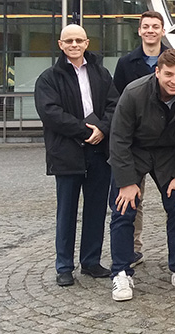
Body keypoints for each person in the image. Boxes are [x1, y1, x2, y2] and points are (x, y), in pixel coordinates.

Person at [107, 49, 175, 302]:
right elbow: (119, 140)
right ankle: (121, 271)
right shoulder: (133, 92)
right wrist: (127, 182)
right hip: (134, 151)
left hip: (170, 154)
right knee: (123, 210)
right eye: (169, 74)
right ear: (157, 72)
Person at [34, 24, 118, 287]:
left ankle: (91, 261)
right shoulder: (49, 78)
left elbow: (115, 105)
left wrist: (103, 129)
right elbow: (50, 113)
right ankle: (64, 266)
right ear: (60, 44)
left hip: (98, 152)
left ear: (86, 43)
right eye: (68, 41)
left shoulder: (101, 73)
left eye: (78, 40)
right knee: (66, 212)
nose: (74, 45)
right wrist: (85, 131)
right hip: (67, 152)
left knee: (95, 210)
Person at [113, 10, 168, 268]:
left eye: (155, 26)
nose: (150, 31)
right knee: (131, 198)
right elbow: (117, 103)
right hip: (135, 143)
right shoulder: (126, 63)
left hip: (166, 143)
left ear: (162, 30)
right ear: (139, 30)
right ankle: (133, 249)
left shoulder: (172, 60)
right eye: (146, 26)